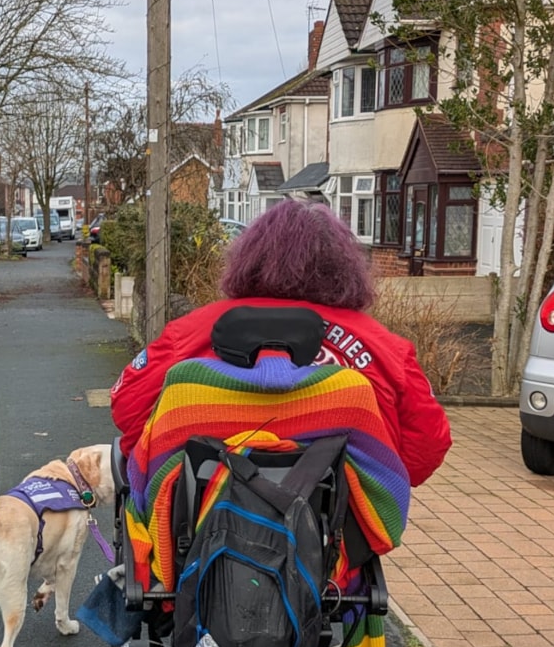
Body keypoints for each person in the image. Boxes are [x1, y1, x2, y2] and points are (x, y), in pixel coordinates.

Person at [111, 199, 451, 486]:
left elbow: (129, 408)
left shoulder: (188, 334)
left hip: (197, 535)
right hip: (331, 546)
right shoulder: (387, 350)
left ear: (249, 259)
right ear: (344, 268)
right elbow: (425, 449)